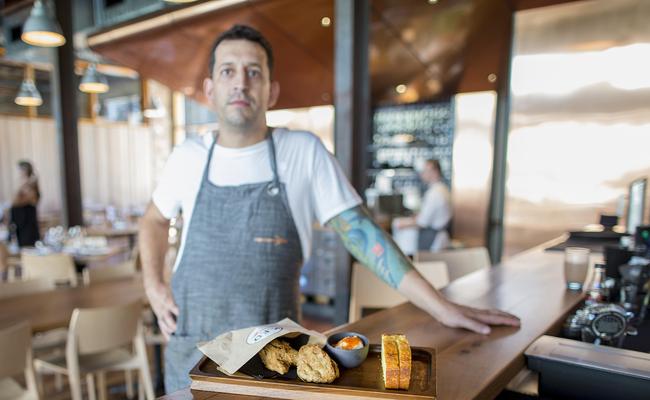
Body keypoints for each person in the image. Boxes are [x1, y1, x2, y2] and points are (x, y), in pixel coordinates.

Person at [139, 24, 520, 392]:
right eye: (228, 71)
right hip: (192, 358)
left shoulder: (302, 152)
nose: (241, 81)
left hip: (276, 368)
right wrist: (153, 284)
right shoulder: (186, 158)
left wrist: (441, 307)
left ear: (271, 91)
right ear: (209, 89)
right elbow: (154, 221)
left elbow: (362, 233)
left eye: (253, 72)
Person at [394, 159, 452, 252]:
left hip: (433, 240)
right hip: (439, 237)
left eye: (425, 171)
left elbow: (423, 222)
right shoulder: (442, 189)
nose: (422, 174)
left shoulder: (434, 193)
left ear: (435, 172)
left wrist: (402, 225)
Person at [10, 160, 40, 247]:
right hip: (19, 219)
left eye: (20, 170)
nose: (19, 172)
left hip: (27, 219)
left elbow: (33, 200)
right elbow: (13, 201)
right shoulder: (21, 183)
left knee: (28, 244)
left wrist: (25, 185)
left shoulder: (32, 184)